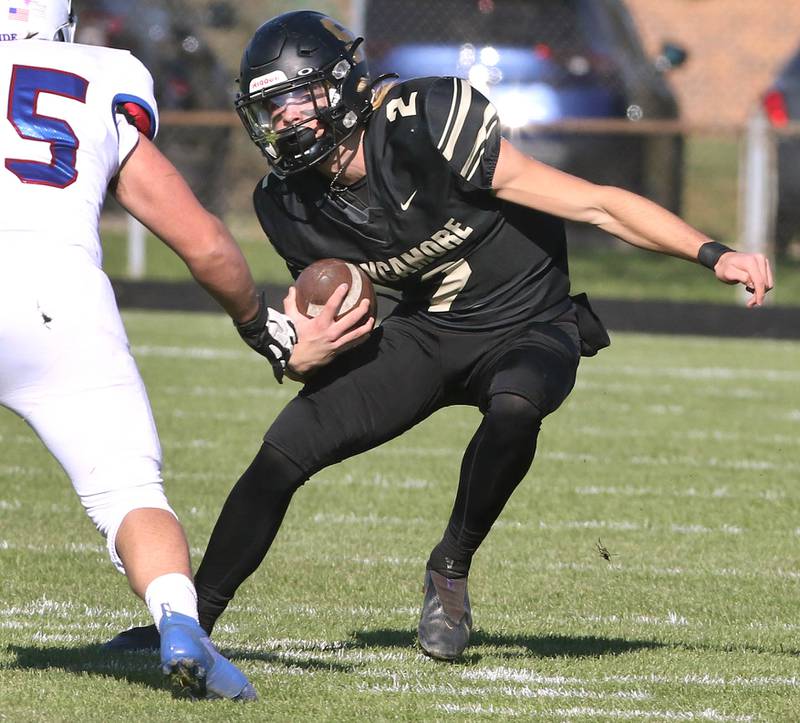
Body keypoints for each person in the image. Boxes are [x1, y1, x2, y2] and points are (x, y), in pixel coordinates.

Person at [107, 10, 773, 661]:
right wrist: (299, 350)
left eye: (293, 99)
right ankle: (191, 621)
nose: (282, 119)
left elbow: (595, 202)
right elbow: (332, 323)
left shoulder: (425, 123)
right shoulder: (287, 203)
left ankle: (449, 569)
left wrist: (711, 252)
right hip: (424, 333)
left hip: (527, 319)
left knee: (516, 405)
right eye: (270, 108)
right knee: (283, 451)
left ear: (338, 85)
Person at [0, 1, 369, 699]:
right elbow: (200, 238)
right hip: (57, 294)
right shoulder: (102, 74)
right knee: (129, 493)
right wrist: (258, 323)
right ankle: (176, 619)